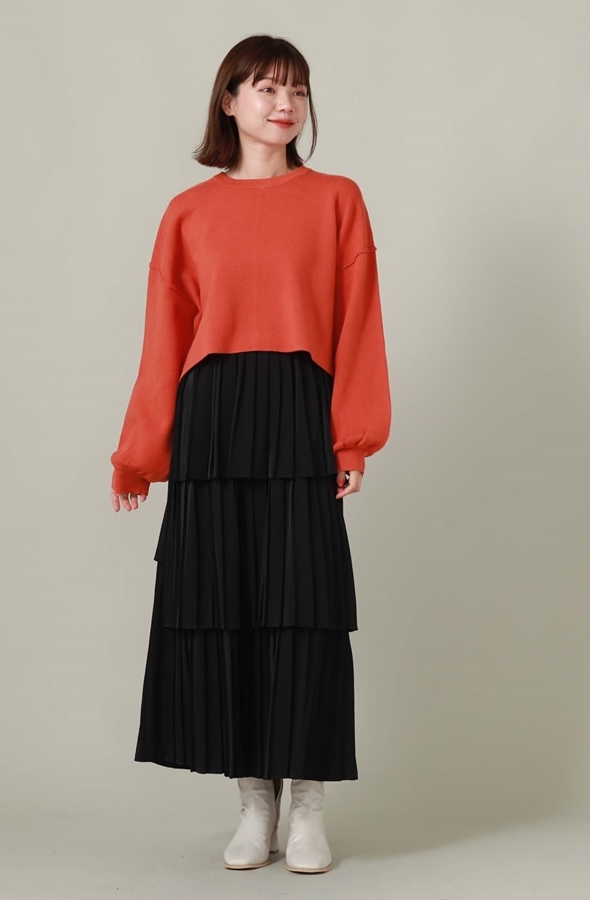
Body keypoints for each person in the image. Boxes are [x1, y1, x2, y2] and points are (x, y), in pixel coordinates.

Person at [109, 34, 391, 874]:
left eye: (297, 90)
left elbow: (359, 321)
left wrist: (353, 433)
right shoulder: (188, 212)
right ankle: (253, 803)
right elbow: (166, 337)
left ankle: (307, 807)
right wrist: (140, 452)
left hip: (300, 410)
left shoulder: (337, 198)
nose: (284, 103)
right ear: (228, 101)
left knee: (304, 610)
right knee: (225, 603)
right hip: (215, 420)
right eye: (266, 87)